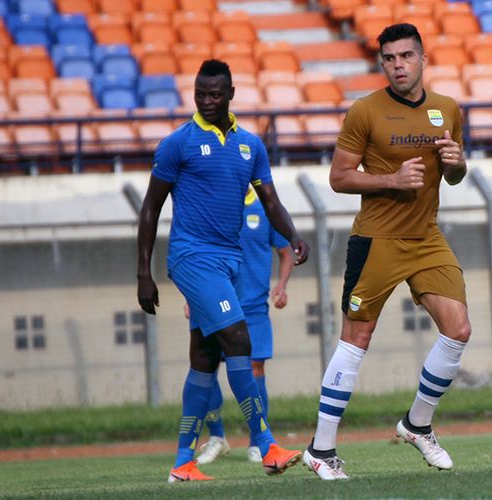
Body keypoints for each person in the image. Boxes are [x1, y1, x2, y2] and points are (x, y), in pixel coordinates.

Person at [301, 23, 472, 480]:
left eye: (406, 56)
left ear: (423, 59)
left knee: (458, 329)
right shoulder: (365, 111)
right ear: (383, 63)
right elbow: (339, 178)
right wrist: (390, 181)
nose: (398, 65)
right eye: (390, 58)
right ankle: (321, 449)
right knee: (357, 337)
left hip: (426, 238)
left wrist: (458, 166)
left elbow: (452, 174)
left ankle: (417, 423)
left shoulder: (447, 109)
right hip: (376, 240)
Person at [136, 59, 309, 483]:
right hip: (192, 258)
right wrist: (143, 272)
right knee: (239, 337)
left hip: (227, 261)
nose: (208, 101)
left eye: (215, 94)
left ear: (231, 94)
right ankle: (266, 445)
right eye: (201, 94)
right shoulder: (178, 143)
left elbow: (270, 201)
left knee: (205, 358)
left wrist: (292, 235)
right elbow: (150, 209)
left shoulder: (251, 145)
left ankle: (182, 462)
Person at [195, 185, 295, 465]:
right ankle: (217, 438)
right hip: (214, 302)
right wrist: (193, 293)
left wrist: (282, 285)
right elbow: (197, 254)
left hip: (253, 308)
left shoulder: (266, 207)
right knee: (206, 368)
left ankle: (257, 439)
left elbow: (286, 252)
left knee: (254, 367)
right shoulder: (213, 203)